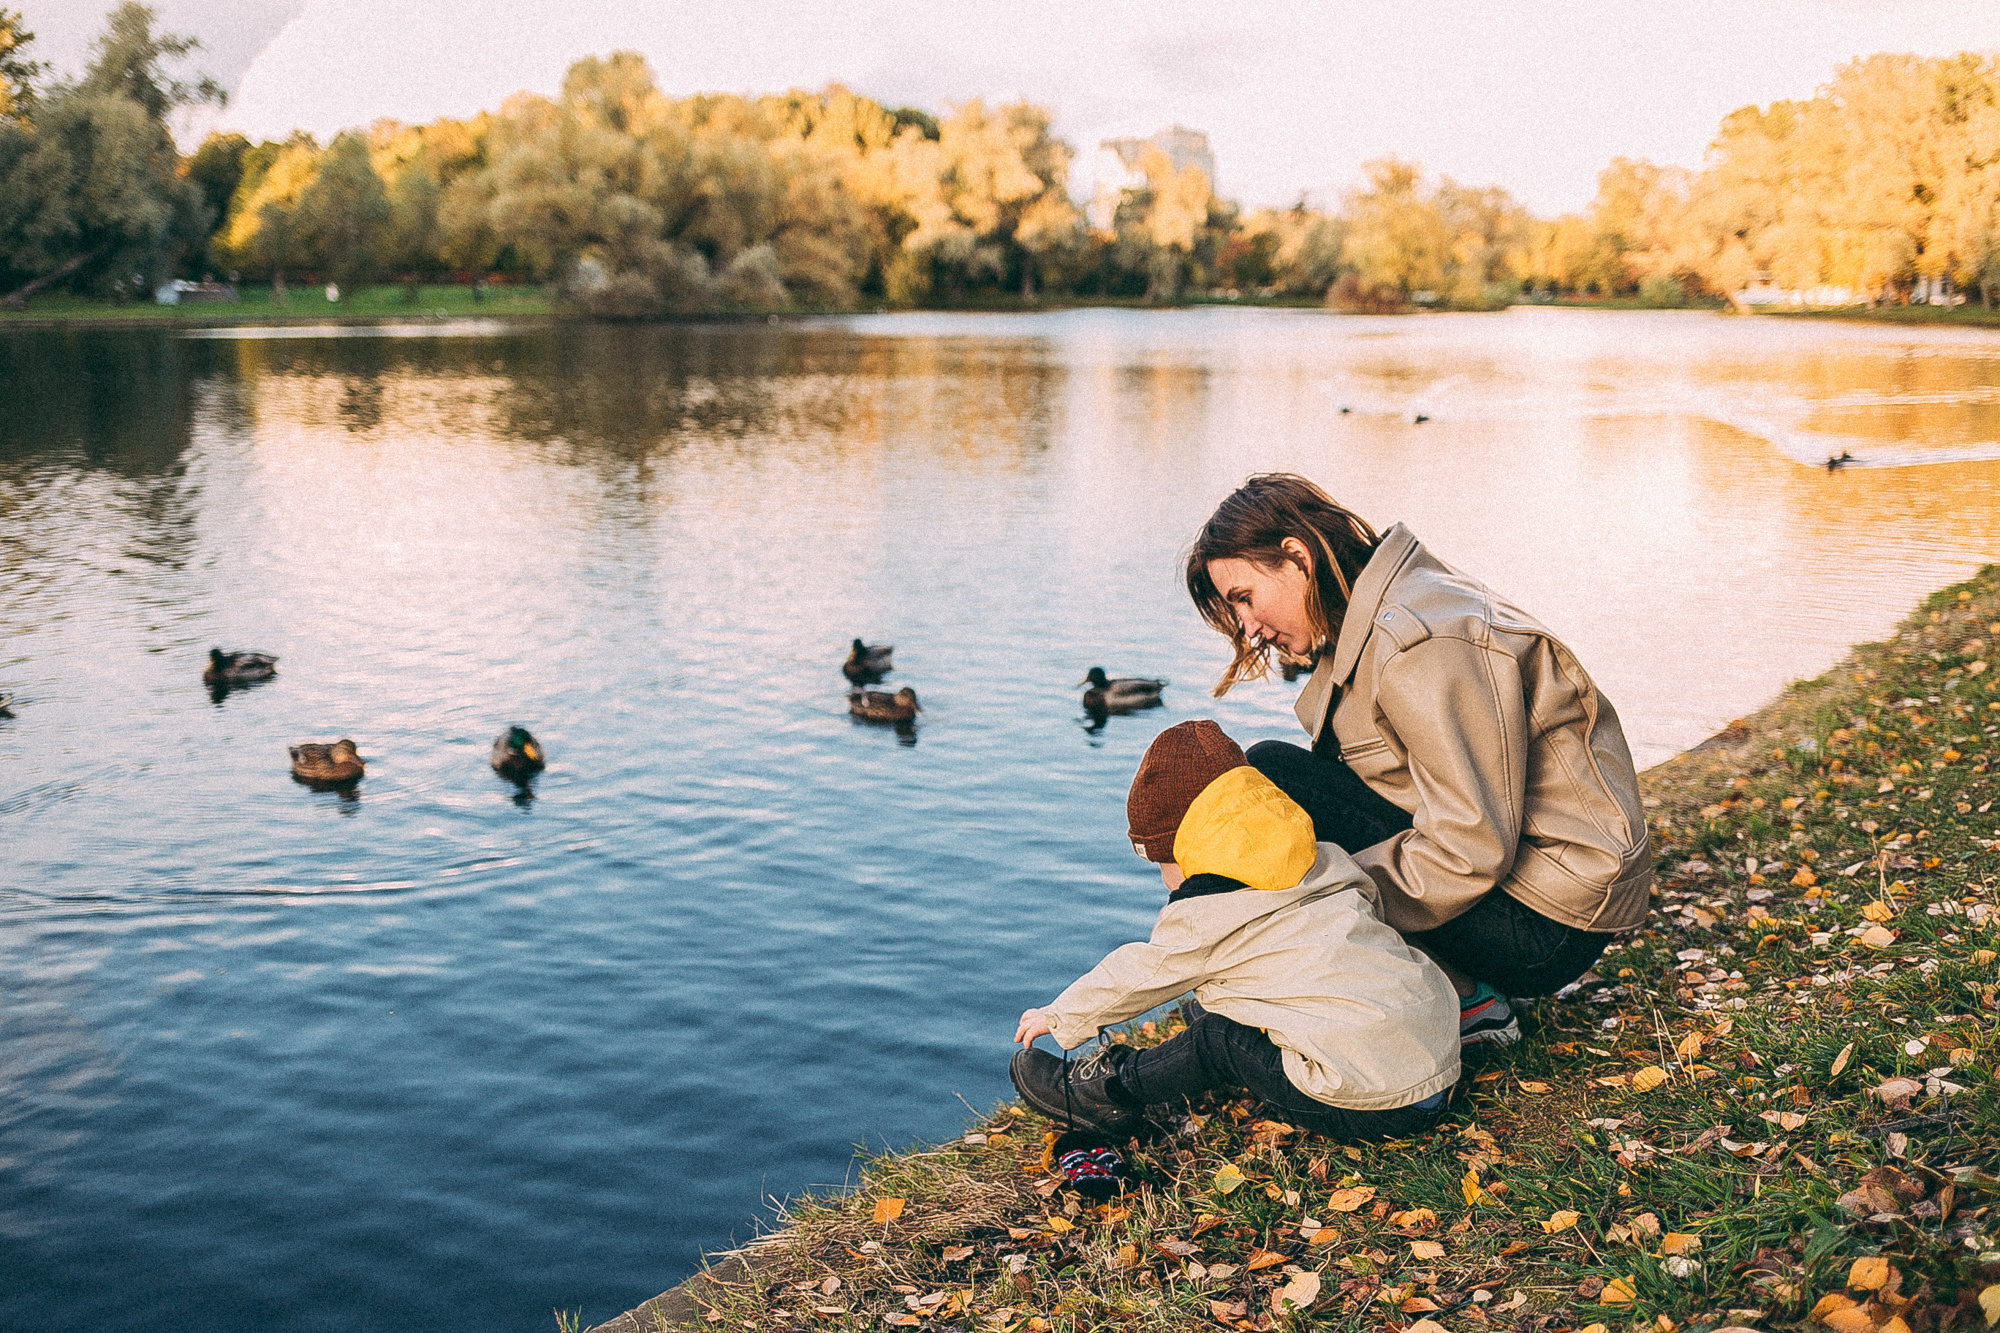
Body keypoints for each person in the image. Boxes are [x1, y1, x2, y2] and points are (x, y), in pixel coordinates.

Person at [1184, 473, 1653, 1045]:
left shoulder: (1418, 645)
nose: (1247, 628)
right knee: (1272, 779)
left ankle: (1463, 999)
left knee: (1275, 787)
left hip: (1547, 923)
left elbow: (1470, 846)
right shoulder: (1388, 607)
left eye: (1245, 599)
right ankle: (1416, 978)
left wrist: (1321, 900)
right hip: (1534, 887)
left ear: (1296, 558)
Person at [1010, 720, 1459, 1141]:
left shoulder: (1208, 914)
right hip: (1440, 1065)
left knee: (1218, 1039)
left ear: (1189, 850)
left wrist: (1061, 1015)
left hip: (1376, 1105)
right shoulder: (1327, 862)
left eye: (1163, 863)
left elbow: (1141, 972)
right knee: (1303, 975)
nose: (1166, 878)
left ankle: (1105, 1094)